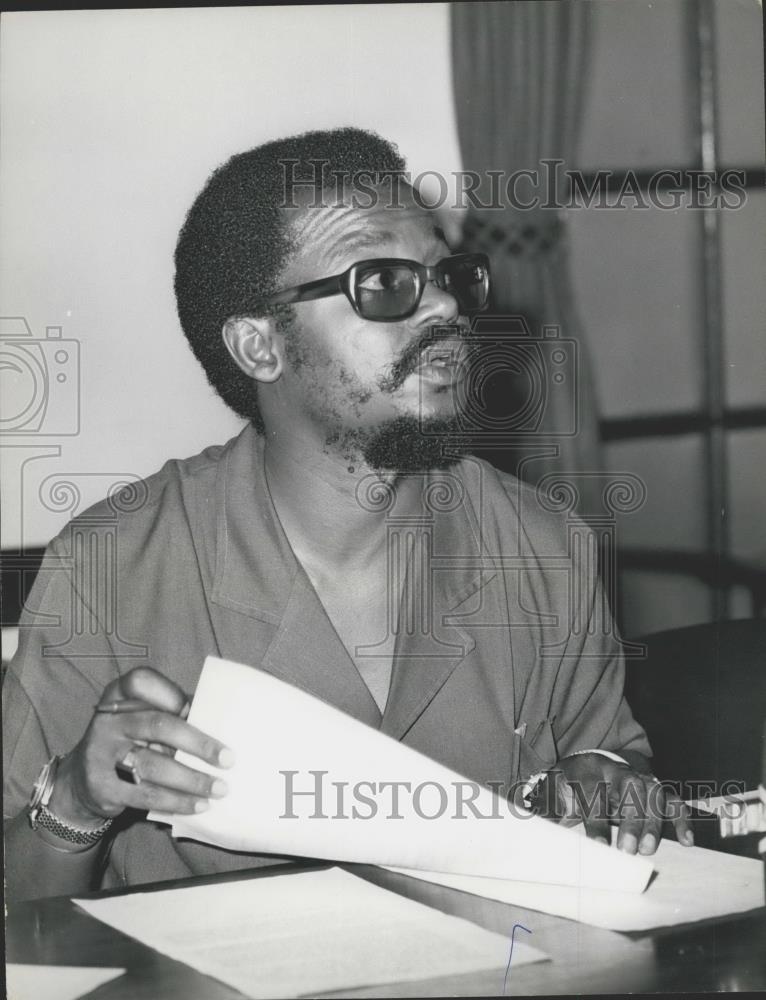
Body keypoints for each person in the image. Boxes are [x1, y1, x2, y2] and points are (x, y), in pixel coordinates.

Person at [3, 127, 691, 903]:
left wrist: (608, 789)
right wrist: (78, 803)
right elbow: (14, 911)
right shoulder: (110, 567)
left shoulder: (542, 546)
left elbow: (618, 789)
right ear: (260, 347)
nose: (444, 308)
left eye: (448, 277)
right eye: (385, 283)